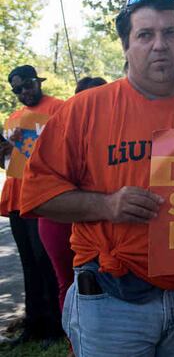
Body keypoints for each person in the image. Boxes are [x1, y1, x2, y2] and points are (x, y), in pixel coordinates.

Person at [19, 0, 174, 357]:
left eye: (171, 33)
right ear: (126, 46)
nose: (160, 45)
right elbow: (39, 197)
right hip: (111, 300)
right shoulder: (82, 111)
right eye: (145, 34)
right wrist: (106, 206)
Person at [0, 65, 64, 346]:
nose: (24, 92)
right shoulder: (13, 119)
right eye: (17, 90)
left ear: (37, 81)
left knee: (46, 262)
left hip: (44, 199)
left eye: (27, 85)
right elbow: (9, 164)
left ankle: (54, 326)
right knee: (28, 264)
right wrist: (4, 150)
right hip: (16, 197)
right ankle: (33, 325)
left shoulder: (59, 108)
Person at [36, 76, 107, 315]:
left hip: (99, 223)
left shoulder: (120, 133)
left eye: (100, 97)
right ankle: (74, 346)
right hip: (58, 220)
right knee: (68, 282)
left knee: (100, 281)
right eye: (85, 98)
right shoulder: (63, 129)